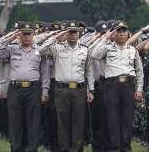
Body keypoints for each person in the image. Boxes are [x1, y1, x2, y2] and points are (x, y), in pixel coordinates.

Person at [0, 22, 49, 152]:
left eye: (29, 34)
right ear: (20, 35)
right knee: (15, 123)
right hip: (15, 90)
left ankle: (31, 149)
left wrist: (45, 91)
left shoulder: (39, 50)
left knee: (33, 123)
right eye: (24, 34)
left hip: (33, 89)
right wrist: (9, 39)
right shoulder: (12, 48)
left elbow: (45, 73)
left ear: (33, 35)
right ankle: (16, 148)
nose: (26, 37)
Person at [39, 21, 94, 152]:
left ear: (79, 33)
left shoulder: (85, 50)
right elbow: (40, 50)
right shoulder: (57, 48)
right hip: (61, 89)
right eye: (70, 32)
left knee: (78, 123)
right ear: (66, 33)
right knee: (62, 123)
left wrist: (90, 90)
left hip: (79, 90)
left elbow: (89, 72)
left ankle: (76, 150)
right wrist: (56, 36)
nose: (73, 35)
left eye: (75, 32)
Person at [91, 21, 144, 152]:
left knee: (127, 119)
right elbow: (95, 54)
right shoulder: (107, 48)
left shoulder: (132, 50)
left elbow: (139, 71)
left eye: (124, 31)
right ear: (113, 34)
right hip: (112, 86)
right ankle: (114, 148)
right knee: (112, 119)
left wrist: (139, 89)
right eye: (118, 31)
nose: (121, 34)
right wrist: (105, 38)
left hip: (128, 86)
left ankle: (126, 148)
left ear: (128, 34)